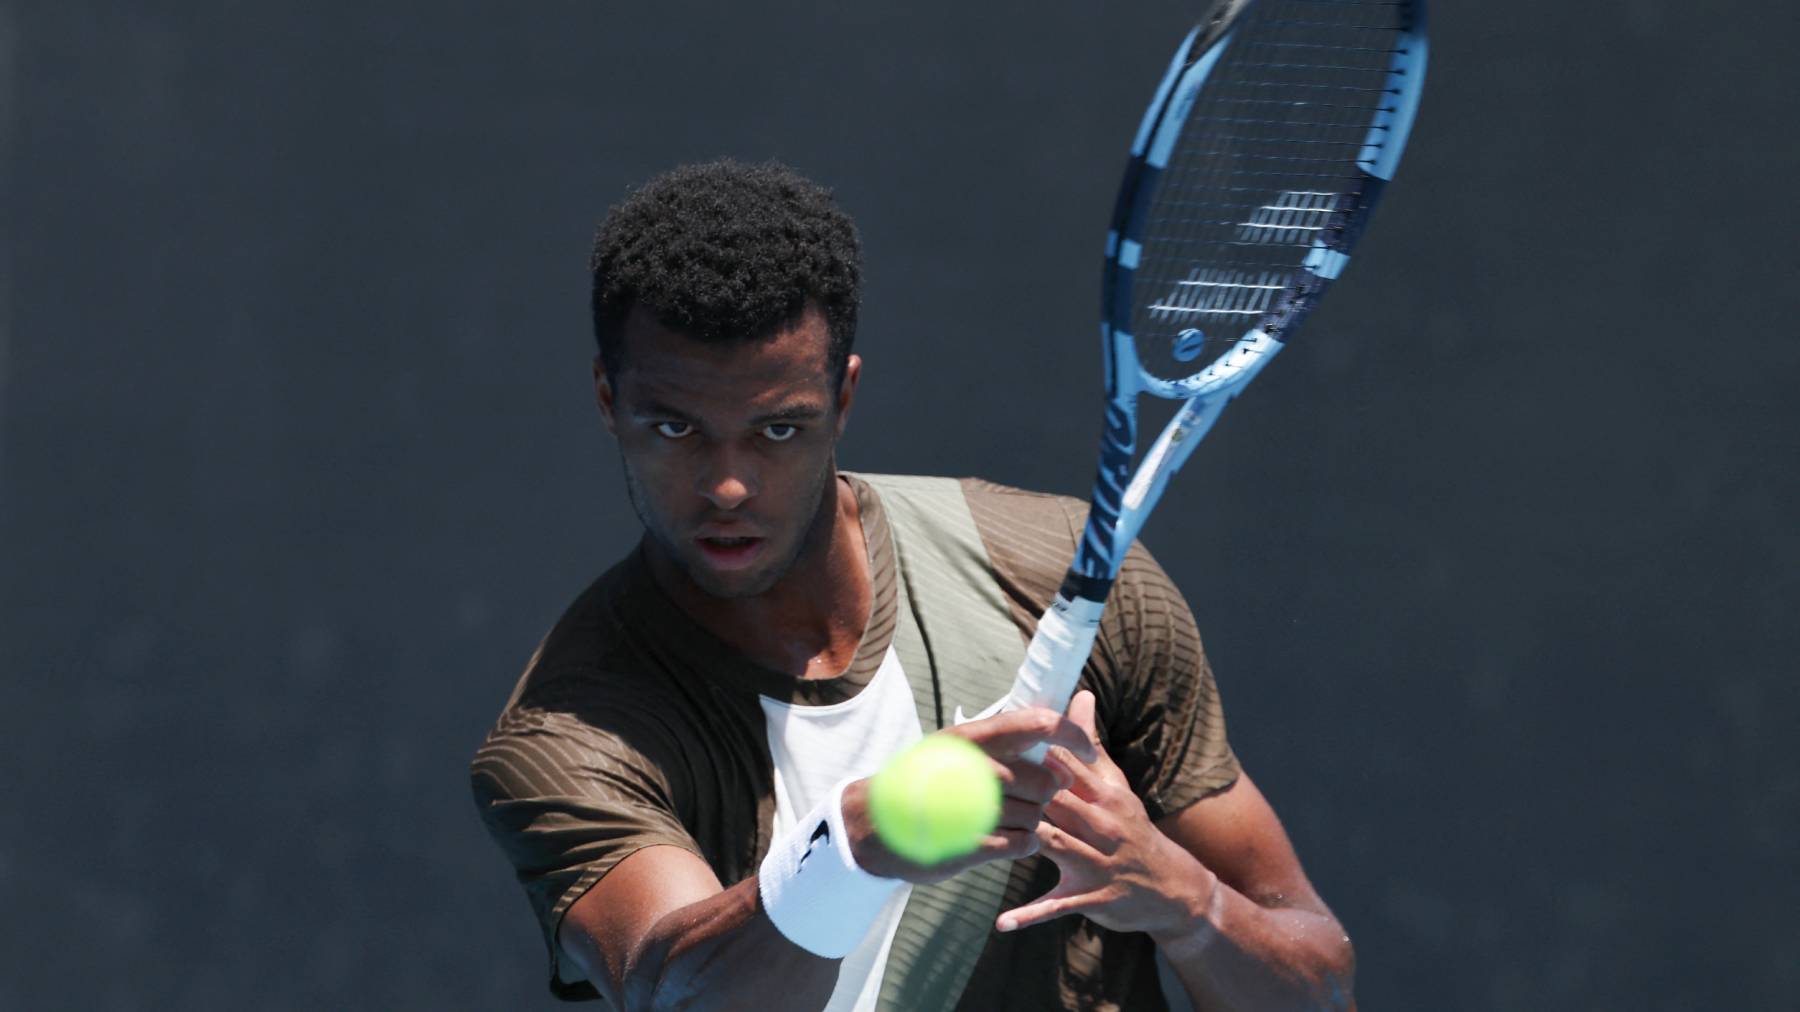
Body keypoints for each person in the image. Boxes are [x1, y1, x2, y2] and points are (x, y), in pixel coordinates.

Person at [470, 159, 1354, 1011]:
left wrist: (1180, 899)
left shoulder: (1051, 572)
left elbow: (1319, 988)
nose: (728, 486)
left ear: (843, 398)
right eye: (674, 427)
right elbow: (676, 994)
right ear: (605, 398)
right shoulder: (569, 735)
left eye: (779, 431)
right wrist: (859, 841)